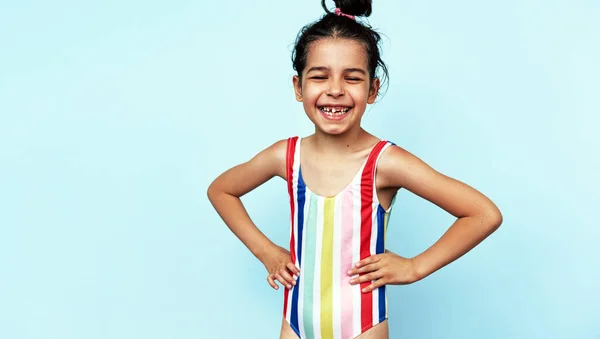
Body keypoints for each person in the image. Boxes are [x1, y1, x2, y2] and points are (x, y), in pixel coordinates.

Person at [207, 1, 503, 338]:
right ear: (298, 87)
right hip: (295, 324)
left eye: (352, 78)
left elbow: (483, 214)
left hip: (364, 327)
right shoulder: (285, 156)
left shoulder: (385, 163)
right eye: (319, 77)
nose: (335, 90)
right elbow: (221, 190)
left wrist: (415, 267)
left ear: (372, 89)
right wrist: (267, 251)